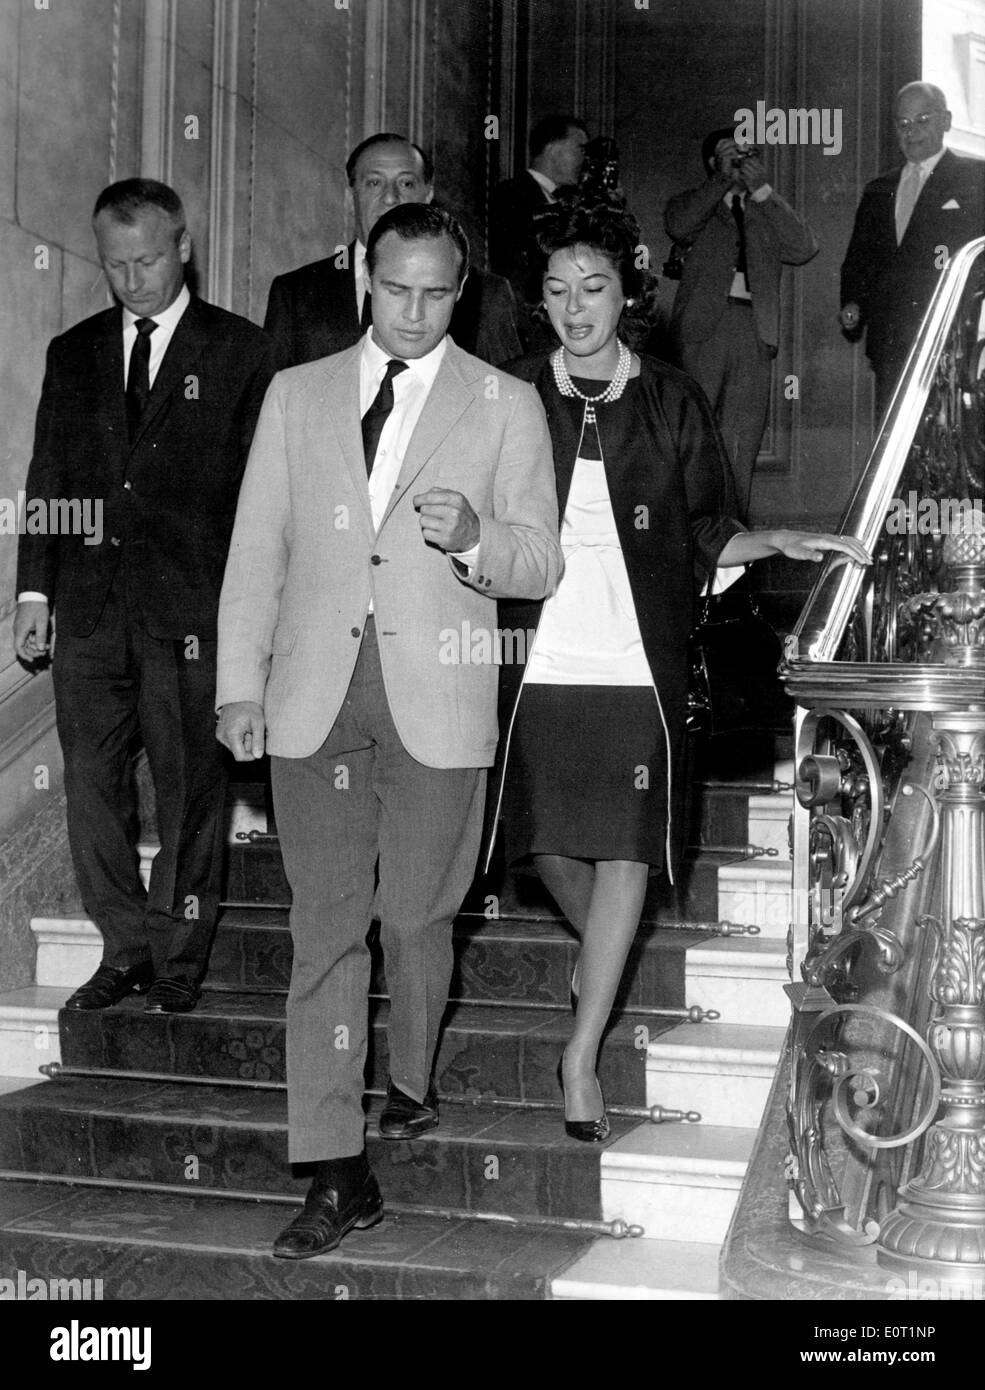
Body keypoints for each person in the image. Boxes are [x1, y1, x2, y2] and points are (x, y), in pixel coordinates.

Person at [216, 204, 562, 1258]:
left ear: (462, 291)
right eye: (396, 287)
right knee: (324, 933)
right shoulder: (296, 392)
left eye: (436, 292)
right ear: (366, 276)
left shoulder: (505, 402)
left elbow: (540, 560)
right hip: (313, 698)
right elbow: (258, 549)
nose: (413, 312)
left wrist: (476, 542)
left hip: (438, 695)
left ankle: (407, 1075)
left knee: (415, 919)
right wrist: (240, 684)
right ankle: (334, 1167)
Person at [488, 201, 870, 1140]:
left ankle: (580, 1057)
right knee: (539, 845)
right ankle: (608, 959)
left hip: (633, 655)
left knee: (624, 847)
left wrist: (771, 536)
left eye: (595, 289)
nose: (576, 309)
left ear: (627, 294)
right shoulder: (504, 395)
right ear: (538, 299)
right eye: (557, 290)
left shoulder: (669, 395)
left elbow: (703, 525)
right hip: (531, 657)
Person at [13, 178, 274, 1015]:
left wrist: (253, 622)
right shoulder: (75, 350)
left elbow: (259, 499)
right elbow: (48, 474)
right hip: (89, 612)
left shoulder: (242, 351)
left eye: (148, 259)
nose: (132, 279)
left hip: (193, 615)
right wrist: (31, 593)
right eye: (115, 264)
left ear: (184, 246)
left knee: (192, 788)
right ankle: (123, 949)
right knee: (91, 787)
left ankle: (179, 956)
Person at [264, 132, 521, 369]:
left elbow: (505, 392)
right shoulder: (295, 293)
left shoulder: (486, 294)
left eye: (406, 183)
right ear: (349, 194)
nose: (390, 198)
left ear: (429, 192)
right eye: (374, 183)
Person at [665, 126, 818, 519]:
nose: (739, 159)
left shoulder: (765, 208)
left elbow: (804, 247)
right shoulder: (697, 204)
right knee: (693, 437)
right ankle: (688, 534)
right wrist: (721, 181)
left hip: (754, 331)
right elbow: (678, 225)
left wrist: (764, 191)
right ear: (711, 163)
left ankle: (733, 537)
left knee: (741, 440)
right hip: (704, 331)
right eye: (728, 153)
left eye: (745, 153)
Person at [840, 82, 985, 419]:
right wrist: (853, 301)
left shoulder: (977, 179)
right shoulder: (879, 190)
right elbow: (860, 259)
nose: (912, 132)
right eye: (903, 124)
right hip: (890, 342)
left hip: (952, 339)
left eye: (922, 120)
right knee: (893, 439)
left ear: (946, 121)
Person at [489, 114, 589, 346]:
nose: (585, 159)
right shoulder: (510, 195)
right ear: (553, 149)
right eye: (580, 149)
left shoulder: (572, 202)